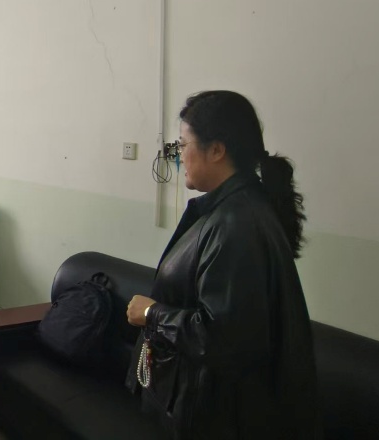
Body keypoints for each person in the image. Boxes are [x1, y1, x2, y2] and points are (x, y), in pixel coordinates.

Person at [125, 91, 319, 439]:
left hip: (221, 418)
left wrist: (152, 314)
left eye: (183, 144)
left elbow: (223, 337)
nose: (179, 154)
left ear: (216, 150)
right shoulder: (231, 210)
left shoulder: (236, 224)